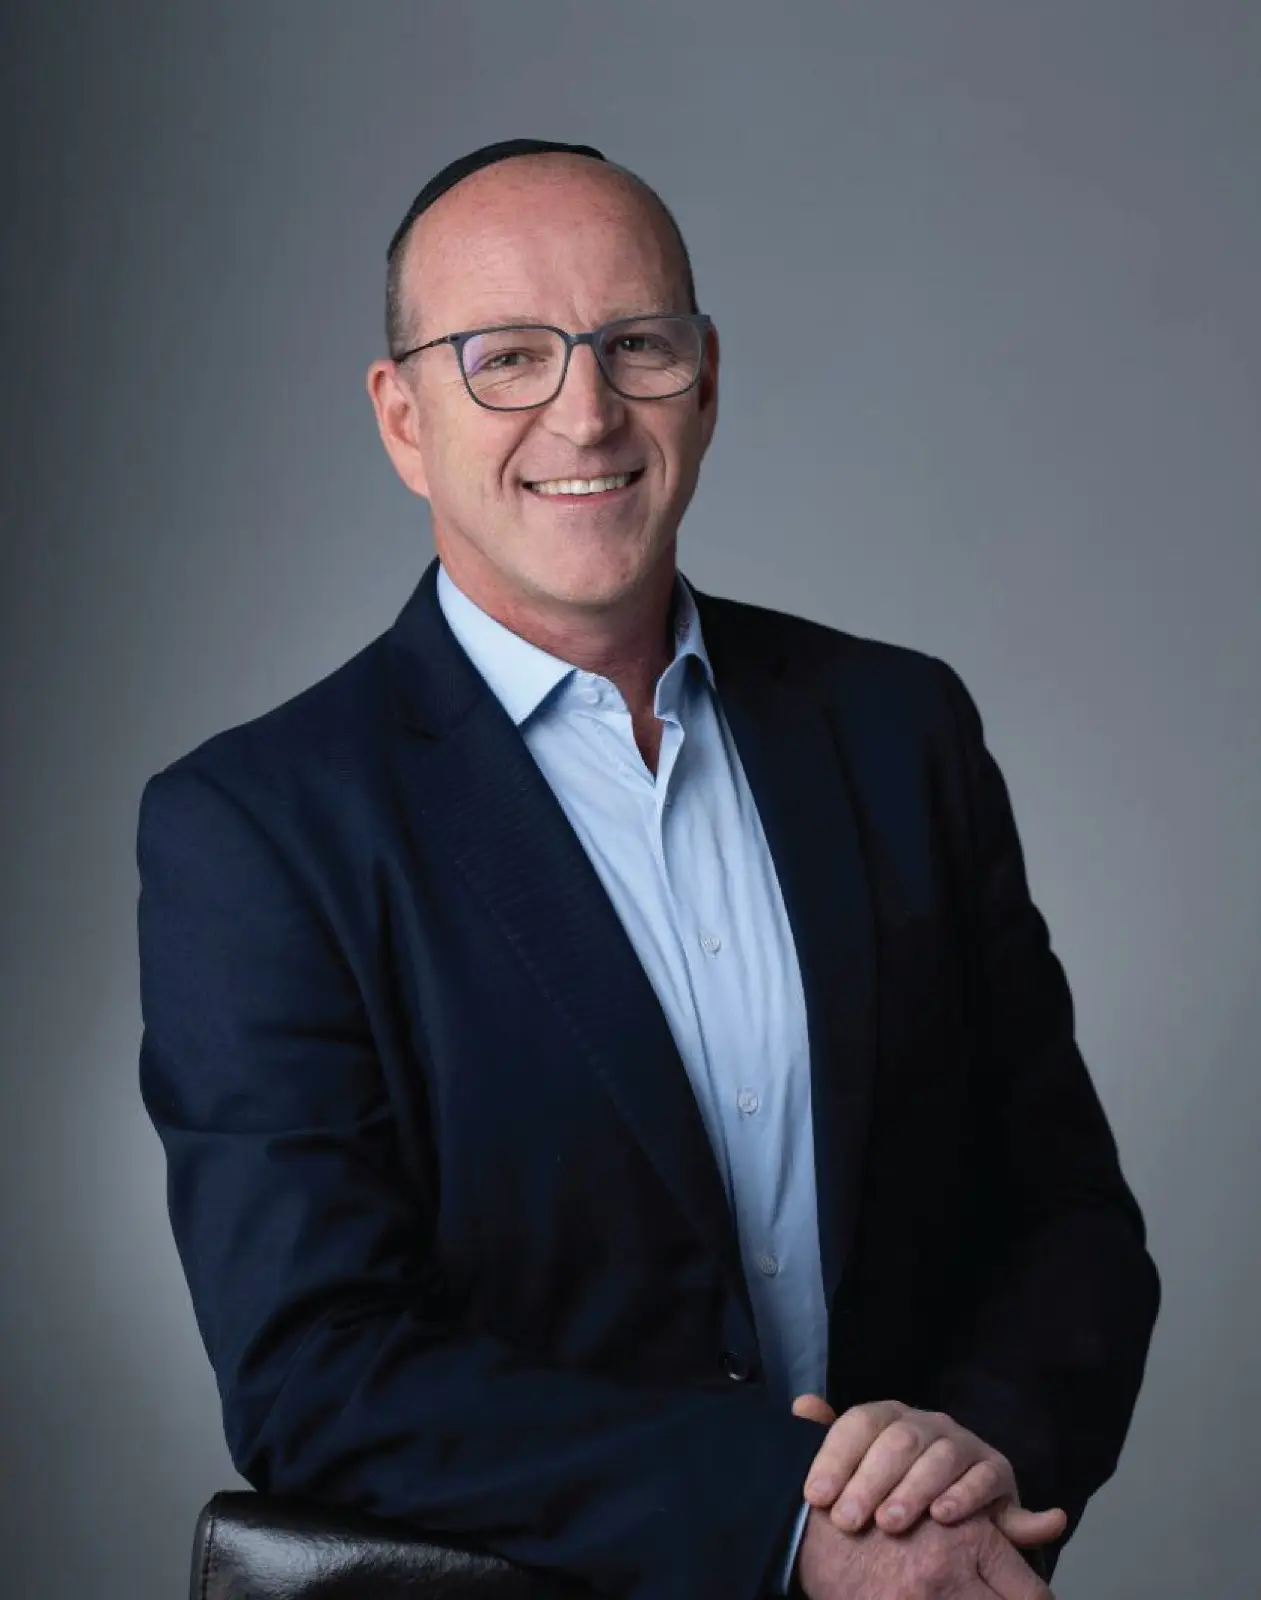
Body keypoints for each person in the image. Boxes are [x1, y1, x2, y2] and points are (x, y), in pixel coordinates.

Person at [136, 138, 1160, 1600]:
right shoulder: (257, 827)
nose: (587, 409)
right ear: (404, 419)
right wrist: (793, 1526)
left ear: (707, 380)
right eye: (506, 357)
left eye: (638, 344)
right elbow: (319, 1368)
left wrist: (969, 1472)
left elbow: (1069, 1222)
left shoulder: (899, 728)